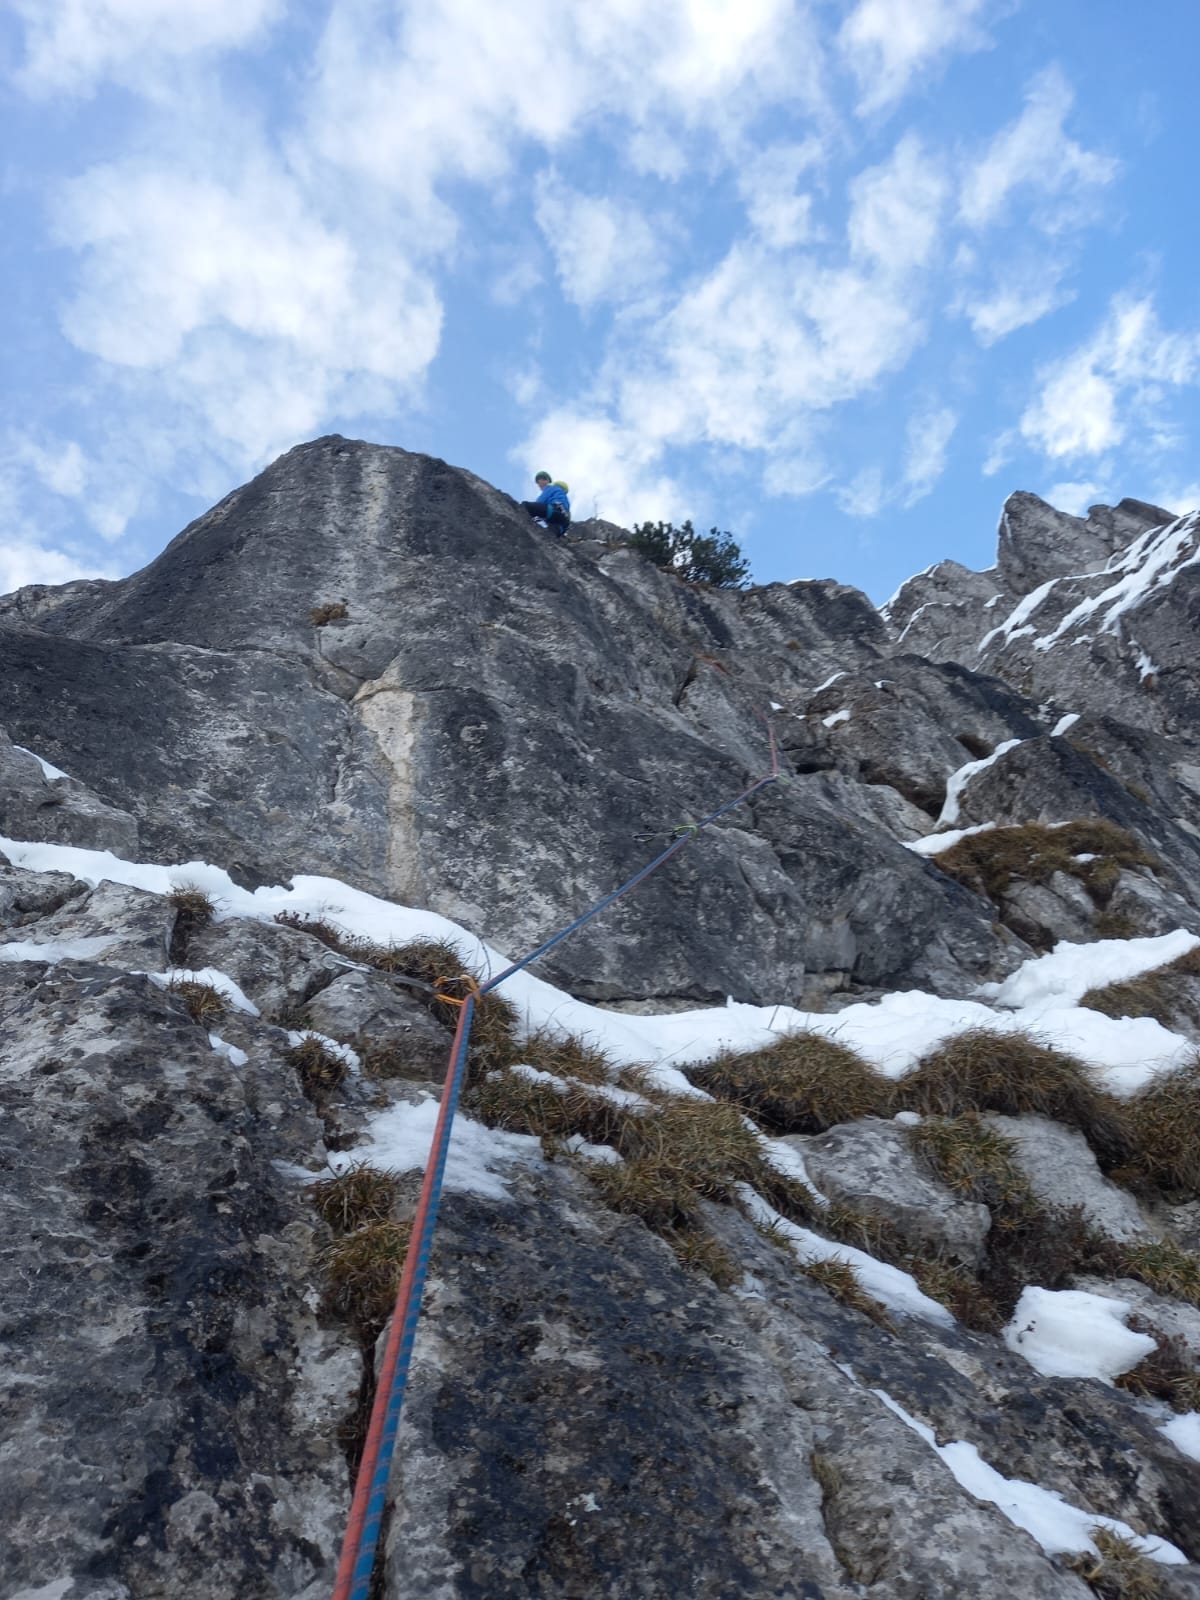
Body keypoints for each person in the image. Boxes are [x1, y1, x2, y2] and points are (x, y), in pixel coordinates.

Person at [520, 471, 571, 537]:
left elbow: (540, 501)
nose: (538, 485)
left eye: (539, 481)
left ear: (546, 480)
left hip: (553, 511)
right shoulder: (563, 498)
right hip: (562, 523)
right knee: (548, 535)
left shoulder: (551, 488)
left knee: (525, 505)